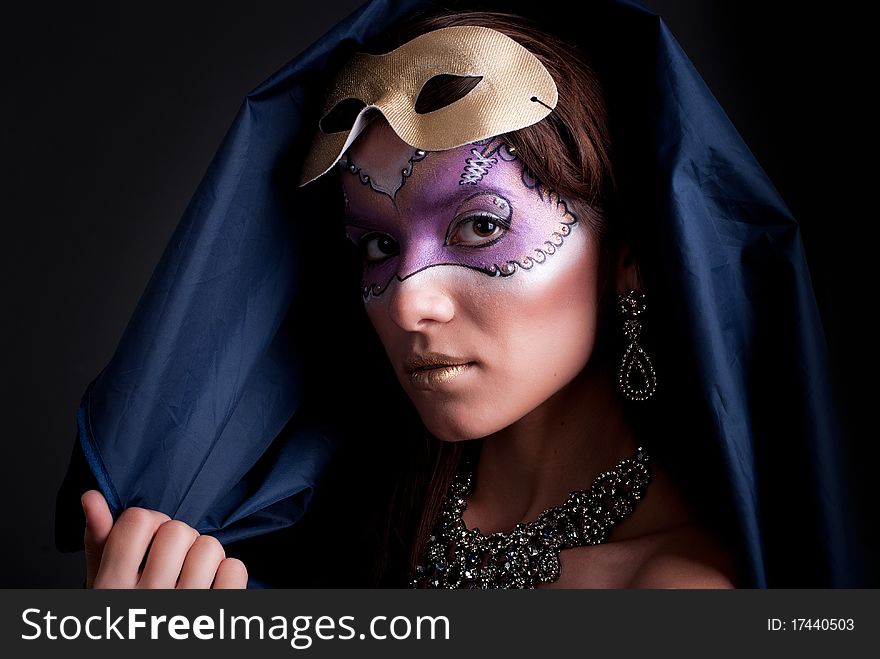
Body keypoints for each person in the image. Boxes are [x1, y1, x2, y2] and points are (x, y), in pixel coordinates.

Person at [57, 0, 865, 589]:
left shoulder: (675, 591)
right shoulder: (296, 532)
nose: (408, 303)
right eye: (376, 244)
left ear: (628, 256)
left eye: (479, 227)